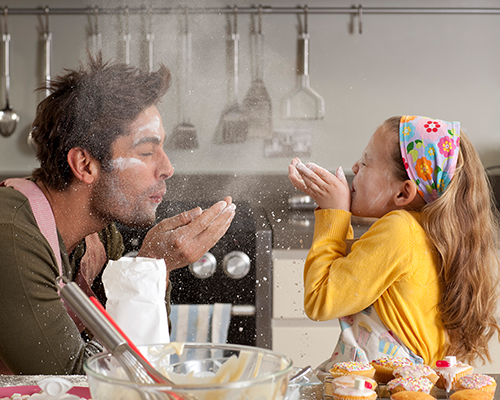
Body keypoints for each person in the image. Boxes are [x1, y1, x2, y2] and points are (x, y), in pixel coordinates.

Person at [0, 54, 235, 375]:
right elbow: (75, 384)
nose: (167, 168)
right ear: (85, 165)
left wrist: (153, 270)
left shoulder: (98, 235)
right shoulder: (10, 233)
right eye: (146, 152)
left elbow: (135, 362)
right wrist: (153, 264)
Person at [288, 115, 500, 369]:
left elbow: (320, 299)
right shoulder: (428, 232)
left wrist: (334, 215)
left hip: (382, 388)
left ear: (403, 193)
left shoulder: (399, 230)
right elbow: (346, 273)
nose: (355, 167)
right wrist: (335, 211)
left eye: (366, 162)